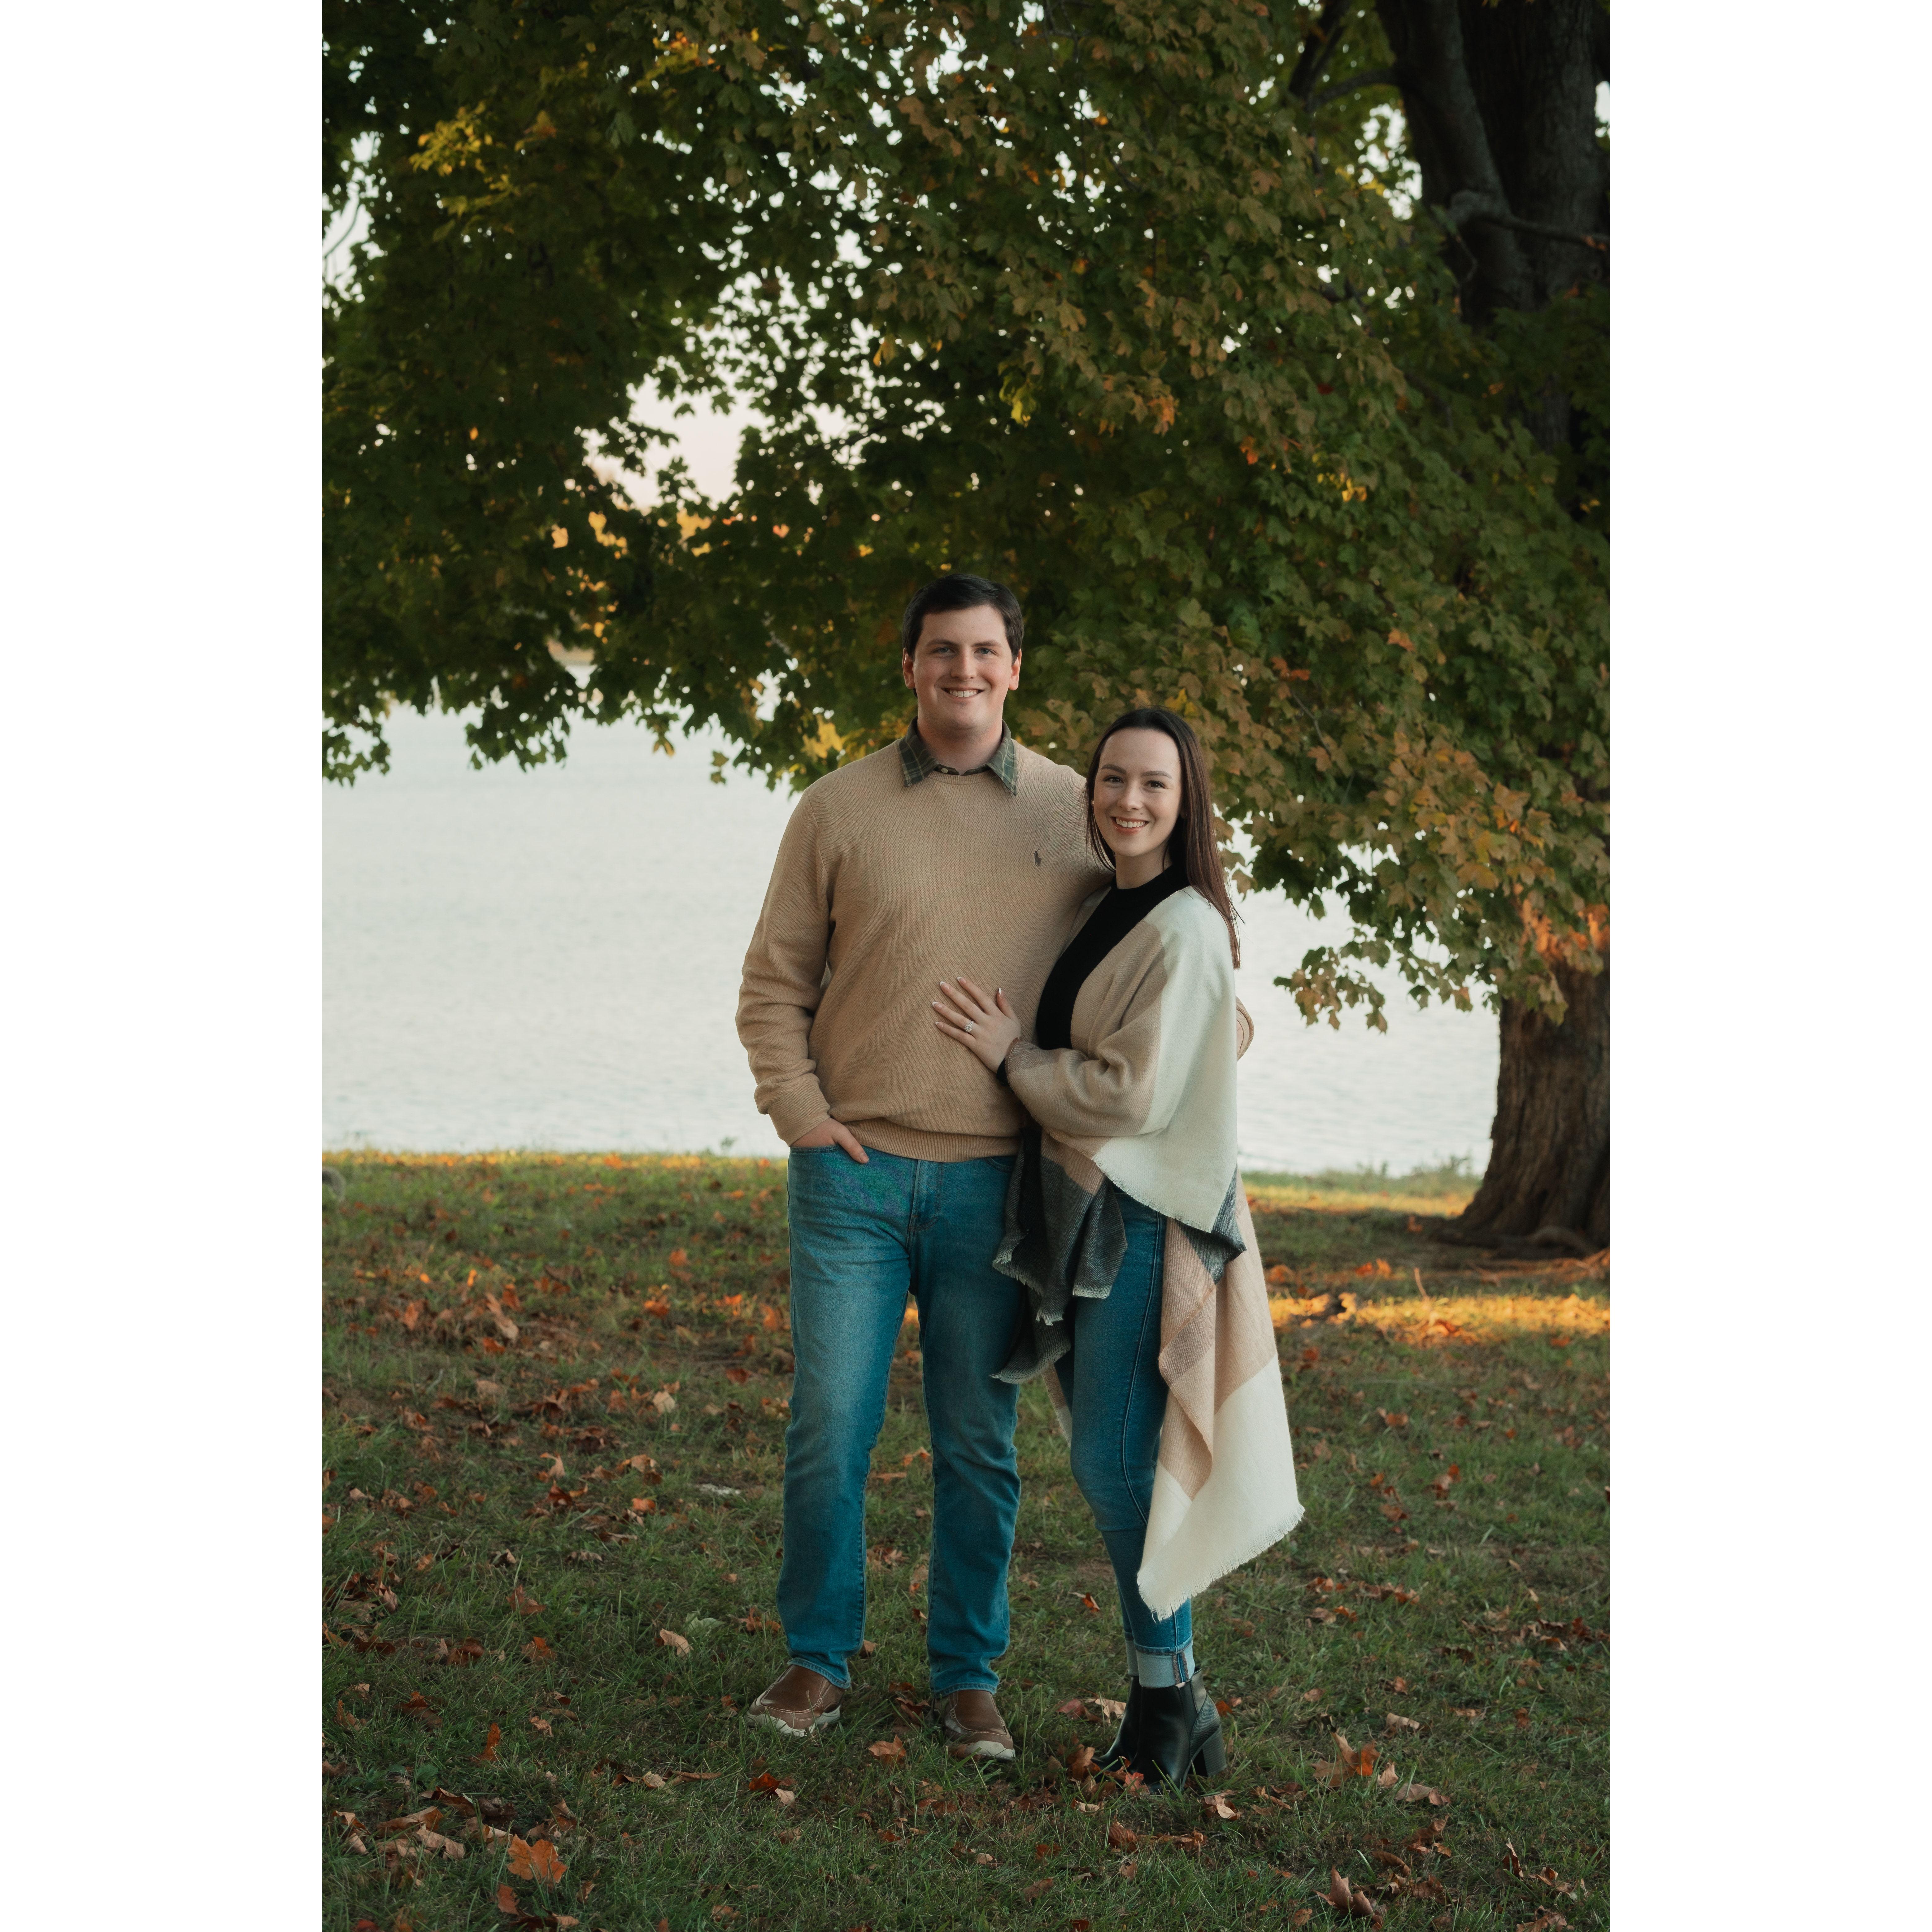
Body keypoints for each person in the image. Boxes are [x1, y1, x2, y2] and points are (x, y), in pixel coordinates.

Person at [735, 573, 1109, 1759]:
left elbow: (1170, 934)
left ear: (1016, 668)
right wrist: (799, 1111)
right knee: (828, 1429)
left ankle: (968, 1678)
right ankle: (817, 1659)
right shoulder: (835, 808)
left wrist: (1202, 1031)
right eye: (942, 650)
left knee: (978, 1445)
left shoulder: (1079, 808)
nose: (964, 670)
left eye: (986, 651)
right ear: (910, 667)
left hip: (995, 1186)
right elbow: (774, 983)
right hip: (850, 1175)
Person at [932, 706, 1302, 1786]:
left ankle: (1171, 1697)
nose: (1128, 800)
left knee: (1114, 1460)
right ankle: (1171, 1703)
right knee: (1113, 1455)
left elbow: (1129, 1095)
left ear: (1187, 805)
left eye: (1154, 785)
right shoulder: (1112, 906)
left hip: (1145, 1217)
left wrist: (1012, 1057)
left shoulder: (1184, 924)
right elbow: (1219, 1031)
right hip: (1100, 1211)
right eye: (1112, 779)